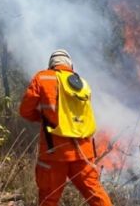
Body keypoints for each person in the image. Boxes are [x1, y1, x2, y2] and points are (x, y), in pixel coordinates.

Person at [19, 49, 112, 206]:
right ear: (70, 65)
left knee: (49, 199)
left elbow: (25, 111)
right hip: (83, 152)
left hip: (54, 153)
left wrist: (43, 118)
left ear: (51, 65)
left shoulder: (42, 77)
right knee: (96, 196)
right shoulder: (82, 83)